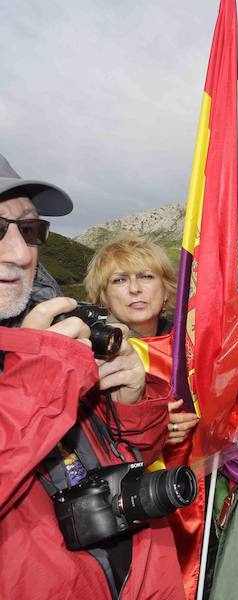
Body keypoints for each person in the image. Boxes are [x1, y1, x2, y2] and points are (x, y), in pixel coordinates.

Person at [0, 153, 184, 599]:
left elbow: (116, 459)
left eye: (29, 230)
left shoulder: (55, 332)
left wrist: (131, 407)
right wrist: (39, 382)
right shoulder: (48, 353)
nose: (21, 253)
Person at [84, 234, 199, 445]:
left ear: (166, 290)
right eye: (119, 280)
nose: (135, 289)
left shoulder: (191, 343)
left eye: (146, 276)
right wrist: (149, 429)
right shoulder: (91, 353)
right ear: (104, 298)